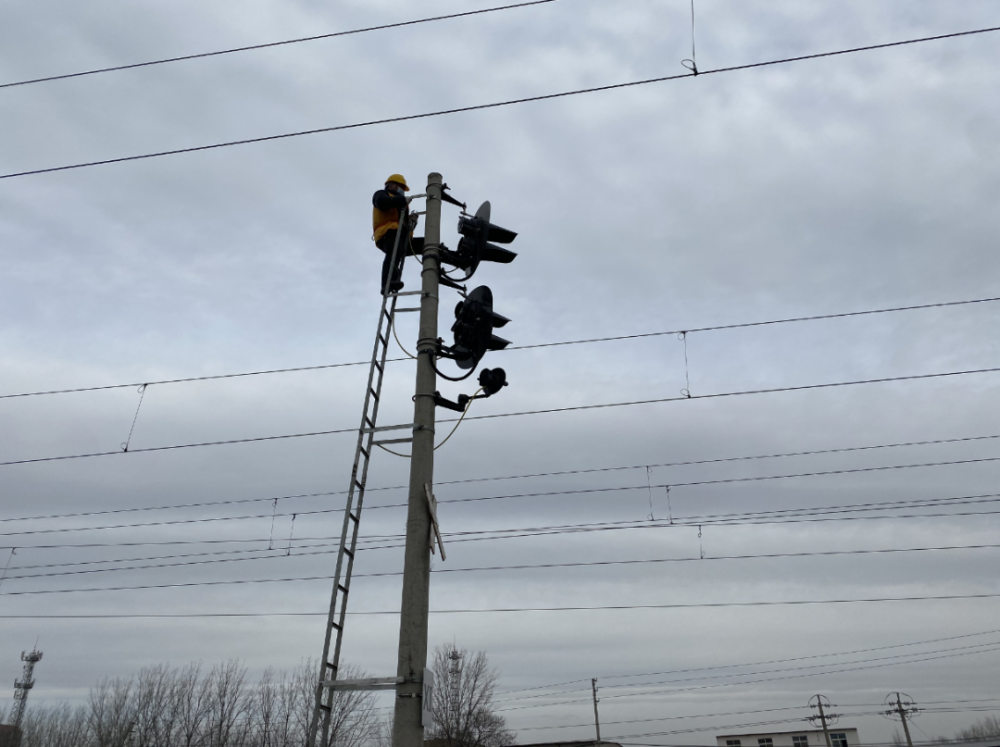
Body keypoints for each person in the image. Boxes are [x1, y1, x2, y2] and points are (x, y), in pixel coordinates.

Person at [372, 174, 421, 294]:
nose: (401, 190)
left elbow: (402, 223)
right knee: (394, 249)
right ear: (390, 185)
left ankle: (450, 257)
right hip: (386, 233)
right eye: (399, 187)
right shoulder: (381, 194)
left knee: (427, 243)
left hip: (401, 237)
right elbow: (382, 203)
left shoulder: (402, 204)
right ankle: (388, 282)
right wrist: (402, 200)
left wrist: (411, 222)